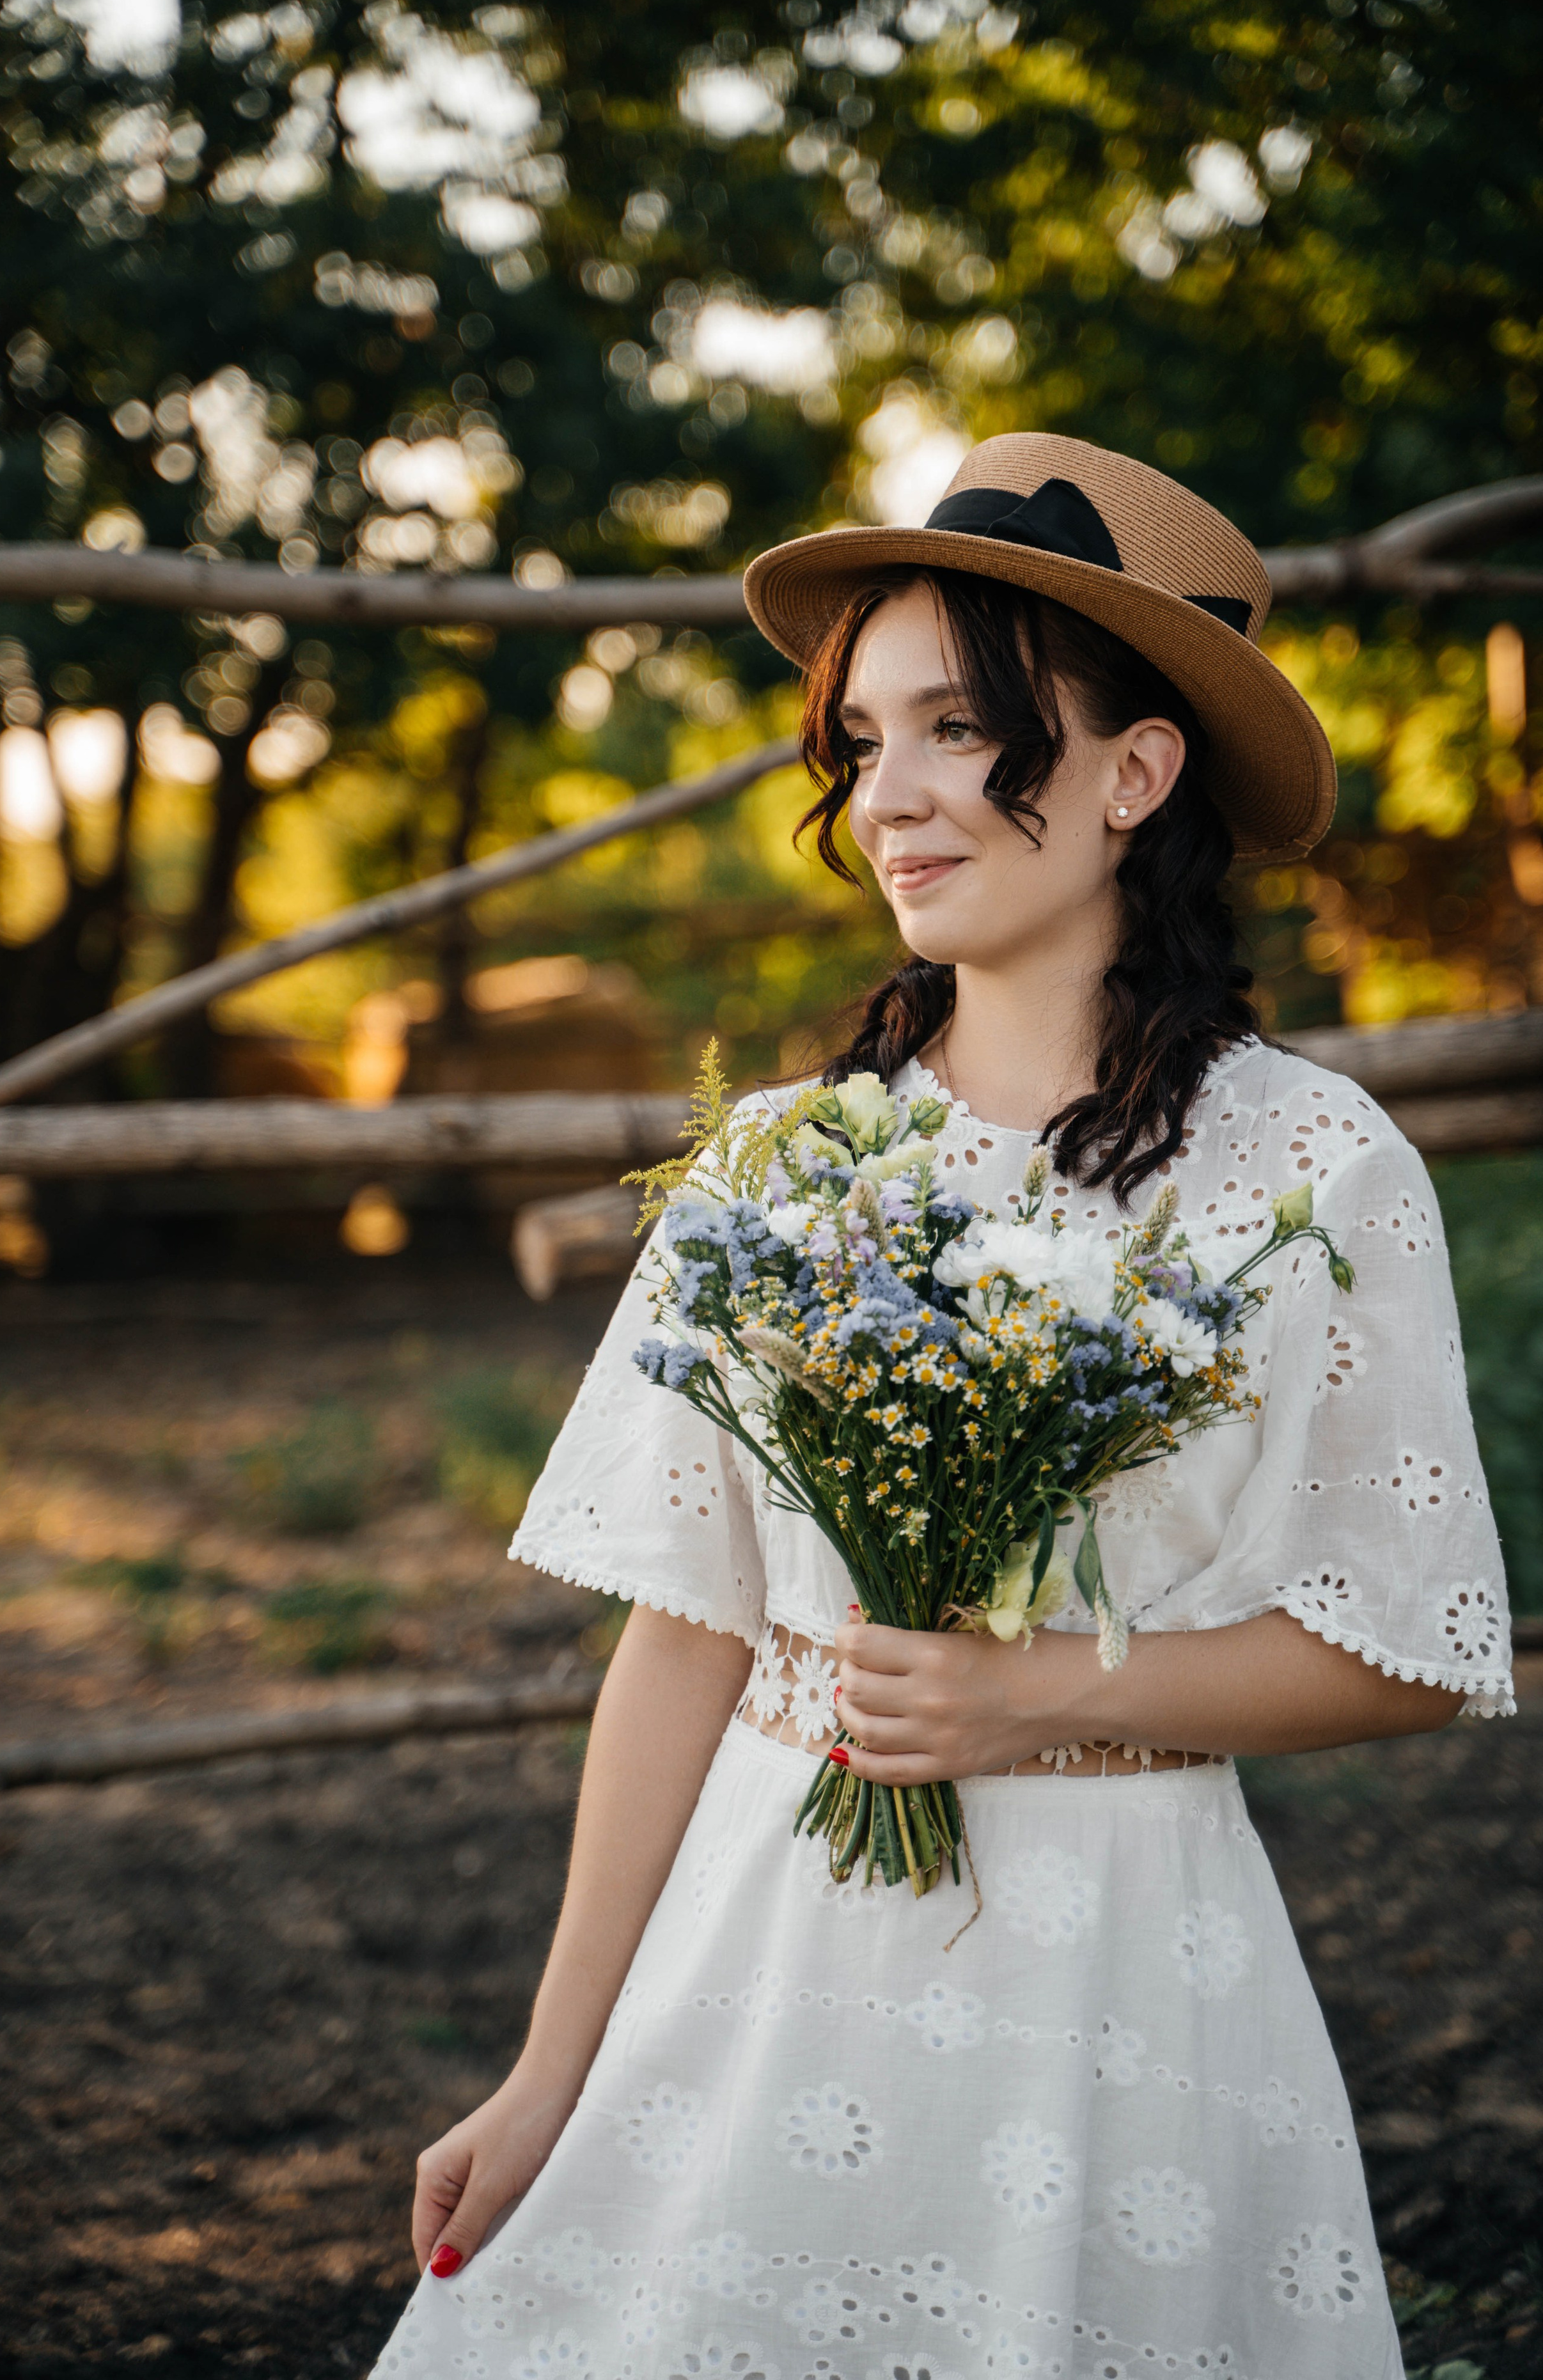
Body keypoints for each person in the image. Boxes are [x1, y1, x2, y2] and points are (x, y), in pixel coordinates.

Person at [371, 434, 1514, 2380]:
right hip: (760, 1956)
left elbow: (1406, 1648)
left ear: (1136, 775)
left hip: (1127, 1984)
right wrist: (553, 2071)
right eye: (861, 739)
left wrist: (1043, 1692)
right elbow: (687, 1635)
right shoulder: (779, 1167)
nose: (884, 796)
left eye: (958, 730)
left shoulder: (1316, 1169)